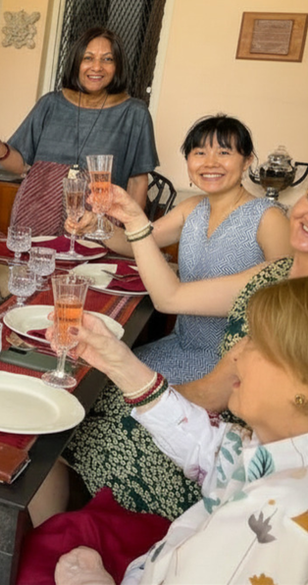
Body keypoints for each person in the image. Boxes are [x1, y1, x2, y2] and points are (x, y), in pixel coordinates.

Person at [63, 183, 305, 520]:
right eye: (198, 154)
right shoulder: (273, 272)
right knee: (89, 391)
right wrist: (117, 223)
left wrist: (139, 399)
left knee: (87, 411)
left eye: (225, 154)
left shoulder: (267, 218)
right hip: (222, 420)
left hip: (228, 407)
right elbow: (162, 281)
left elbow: (214, 392)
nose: (210, 162)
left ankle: (104, 520)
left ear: (247, 161)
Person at [52, 277, 308, 585]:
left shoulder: (278, 513)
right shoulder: (281, 451)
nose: (236, 353)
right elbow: (215, 451)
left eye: (256, 342)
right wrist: (117, 363)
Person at [0, 27, 158, 235]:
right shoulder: (50, 104)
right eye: (88, 58)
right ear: (76, 62)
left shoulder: (134, 113)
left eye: (107, 59)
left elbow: (137, 181)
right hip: (36, 216)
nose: (97, 67)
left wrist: (132, 235)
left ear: (118, 66)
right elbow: (20, 165)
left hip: (97, 227)